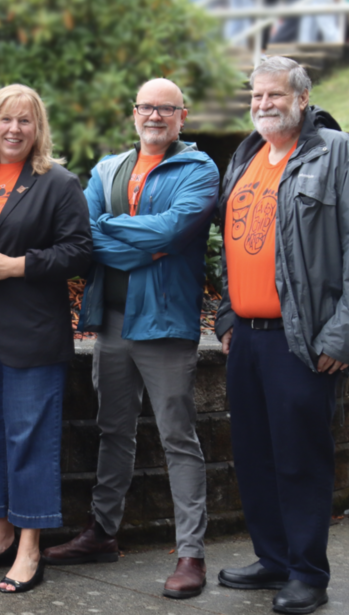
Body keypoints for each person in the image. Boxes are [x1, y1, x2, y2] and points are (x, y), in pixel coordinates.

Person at [214, 56, 349, 615]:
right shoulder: (246, 155)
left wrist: (345, 331)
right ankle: (273, 559)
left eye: (275, 94)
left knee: (300, 459)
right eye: (256, 95)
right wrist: (227, 315)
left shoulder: (335, 152)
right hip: (247, 338)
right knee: (254, 455)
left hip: (302, 339)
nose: (263, 104)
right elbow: (233, 242)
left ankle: (308, 573)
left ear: (302, 98)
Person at [46, 79, 219, 600]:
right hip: (114, 321)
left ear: (182, 115)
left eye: (166, 108)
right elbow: (85, 236)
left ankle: (191, 554)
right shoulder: (107, 168)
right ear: (134, 112)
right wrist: (143, 242)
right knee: (112, 430)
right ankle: (102, 533)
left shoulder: (199, 169)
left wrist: (121, 231)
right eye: (147, 106)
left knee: (177, 437)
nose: (155, 116)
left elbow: (172, 231)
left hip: (165, 323)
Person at [0, 84, 91, 594]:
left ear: (38, 129)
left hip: (32, 333)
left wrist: (16, 266)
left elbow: (80, 251)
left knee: (30, 436)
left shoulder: (57, 183)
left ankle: (30, 546)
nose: (14, 129)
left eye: (25, 121)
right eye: (5, 119)